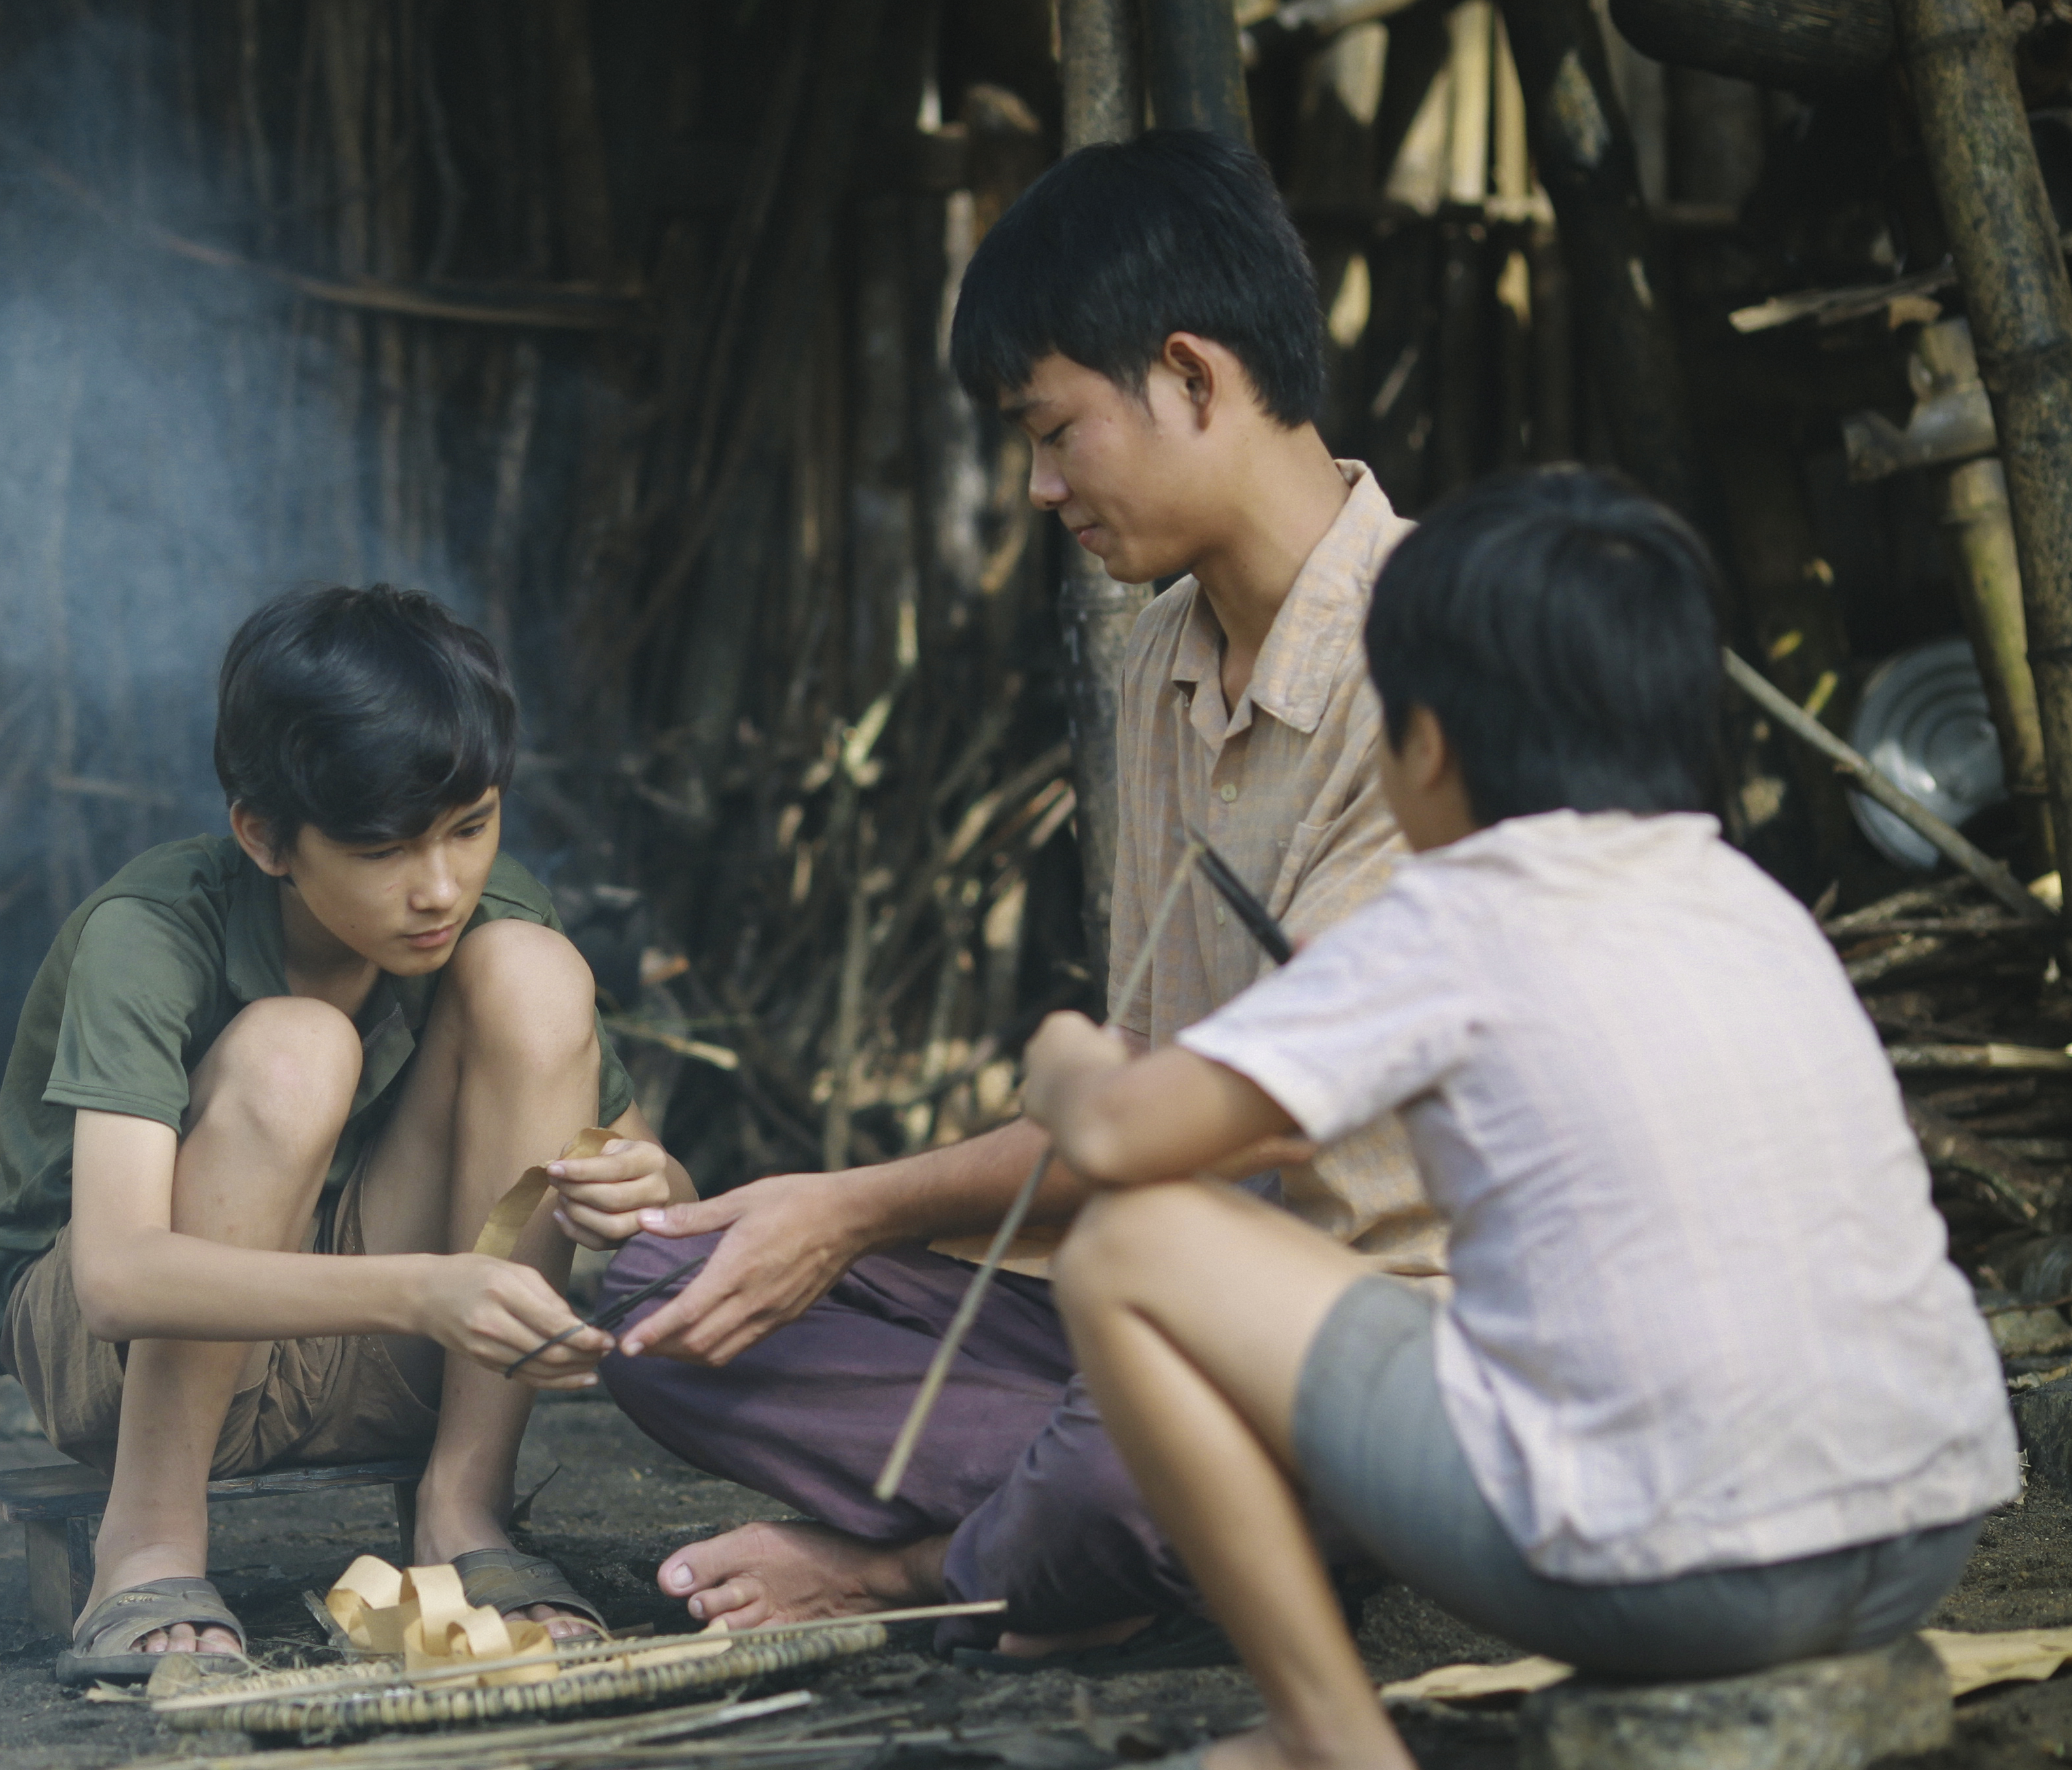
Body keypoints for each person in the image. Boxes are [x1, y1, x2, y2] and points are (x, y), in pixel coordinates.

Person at [1017, 467, 2018, 1770]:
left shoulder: (1454, 911)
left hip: (1687, 1580)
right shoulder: (1747, 900)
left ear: (1420, 742)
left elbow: (1124, 1135)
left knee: (1127, 1245)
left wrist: (1066, 1054)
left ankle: (1328, 1749)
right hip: (1922, 1538)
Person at [593, 126, 1444, 1669]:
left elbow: (1235, 1111)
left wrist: (857, 1202)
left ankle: (925, 1564)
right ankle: (1128, 1532)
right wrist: (816, 1224)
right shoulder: (1158, 658)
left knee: (1107, 1465)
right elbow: (1140, 1103)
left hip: (1365, 1345)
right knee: (666, 1297)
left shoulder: (1439, 664)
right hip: (1144, 1308)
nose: (1040, 485)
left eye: (1055, 431)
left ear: (1192, 376)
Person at [0, 584, 693, 1686]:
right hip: (126, 1356)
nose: (439, 887)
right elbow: (115, 1278)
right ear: (266, 837)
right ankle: (149, 1537)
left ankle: (464, 1510)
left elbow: (673, 1189)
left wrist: (637, 1186)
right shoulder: (151, 933)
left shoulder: (489, 922)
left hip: (385, 1350)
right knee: (298, 1053)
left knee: (538, 975)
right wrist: (426, 1288)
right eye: (385, 850)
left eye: (472, 829)